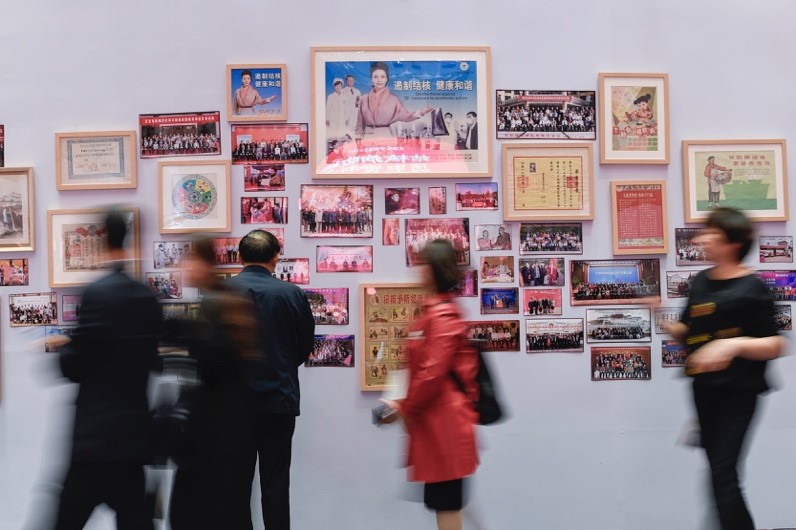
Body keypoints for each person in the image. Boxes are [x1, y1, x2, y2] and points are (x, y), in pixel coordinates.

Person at [665, 207, 784, 530]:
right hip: (704, 392)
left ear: (733, 242)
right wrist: (660, 316)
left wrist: (733, 345)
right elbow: (689, 333)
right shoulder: (702, 281)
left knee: (723, 474)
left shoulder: (753, 288)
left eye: (711, 234)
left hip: (738, 394)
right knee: (719, 475)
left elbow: (776, 344)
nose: (702, 239)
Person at [49, 208, 163, 530]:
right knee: (136, 521)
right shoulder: (146, 297)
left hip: (95, 440)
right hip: (134, 437)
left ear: (102, 240)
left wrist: (63, 347)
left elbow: (74, 367)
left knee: (65, 521)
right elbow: (152, 361)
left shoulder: (97, 293)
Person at [382, 239, 479, 530]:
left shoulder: (442, 316)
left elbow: (432, 373)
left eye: (423, 264)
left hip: (445, 426)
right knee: (444, 502)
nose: (418, 270)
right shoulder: (435, 312)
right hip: (437, 424)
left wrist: (405, 407)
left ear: (434, 269)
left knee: (446, 504)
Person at [169, 236, 262, 530]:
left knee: (199, 511)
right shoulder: (226, 298)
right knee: (228, 509)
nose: (185, 267)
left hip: (218, 427)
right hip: (230, 424)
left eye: (190, 260)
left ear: (204, 263)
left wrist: (180, 342)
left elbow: (215, 361)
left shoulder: (218, 301)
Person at [226, 229, 315, 529]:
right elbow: (303, 348)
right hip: (279, 400)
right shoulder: (292, 294)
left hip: (234, 405)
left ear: (239, 257)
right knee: (276, 483)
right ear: (276, 257)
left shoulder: (223, 293)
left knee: (235, 486)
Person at [355, 62, 432, 139]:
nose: (379, 80)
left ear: (386, 79)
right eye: (375, 77)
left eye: (382, 76)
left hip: (386, 135)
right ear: (371, 79)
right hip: (368, 136)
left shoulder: (394, 99)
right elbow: (359, 123)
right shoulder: (363, 99)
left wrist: (420, 112)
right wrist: (358, 138)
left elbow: (405, 116)